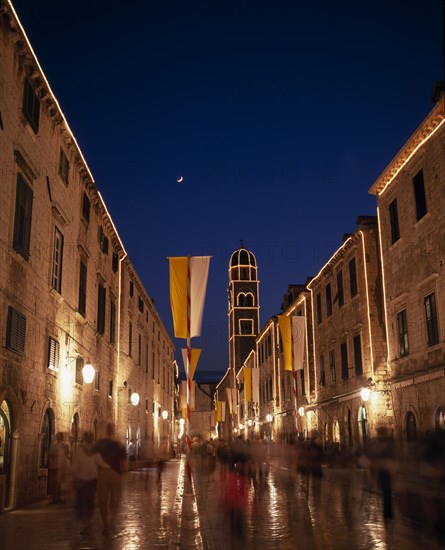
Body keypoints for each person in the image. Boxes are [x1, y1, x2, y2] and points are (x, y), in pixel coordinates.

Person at [72, 431, 110, 535]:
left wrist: (73, 477)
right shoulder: (93, 451)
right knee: (88, 503)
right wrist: (111, 468)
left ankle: (86, 525)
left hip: (84, 480)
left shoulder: (80, 450)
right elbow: (101, 463)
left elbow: (75, 465)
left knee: (84, 503)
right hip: (89, 481)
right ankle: (86, 525)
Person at [93, 437, 127, 535]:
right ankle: (112, 518)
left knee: (103, 501)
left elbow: (93, 457)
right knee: (115, 499)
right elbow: (123, 461)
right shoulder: (118, 445)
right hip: (115, 474)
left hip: (103, 473)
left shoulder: (100, 444)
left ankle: (105, 525)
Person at [48, 432, 69, 504]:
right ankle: (56, 498)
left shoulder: (59, 445)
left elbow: (67, 454)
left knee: (57, 482)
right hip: (57, 466)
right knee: (56, 482)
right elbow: (51, 454)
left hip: (57, 466)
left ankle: (56, 498)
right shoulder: (57, 444)